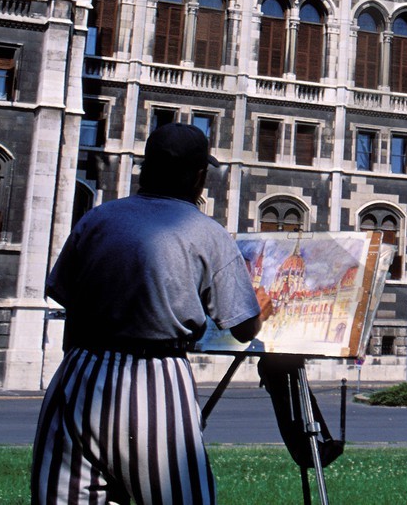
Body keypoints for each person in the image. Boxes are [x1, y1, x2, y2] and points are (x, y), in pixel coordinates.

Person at [32, 122, 266, 505]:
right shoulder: (207, 233)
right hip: (155, 377)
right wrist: (262, 310)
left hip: (78, 375)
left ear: (144, 167)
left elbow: (66, 296)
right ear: (199, 177)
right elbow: (242, 328)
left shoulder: (98, 219)